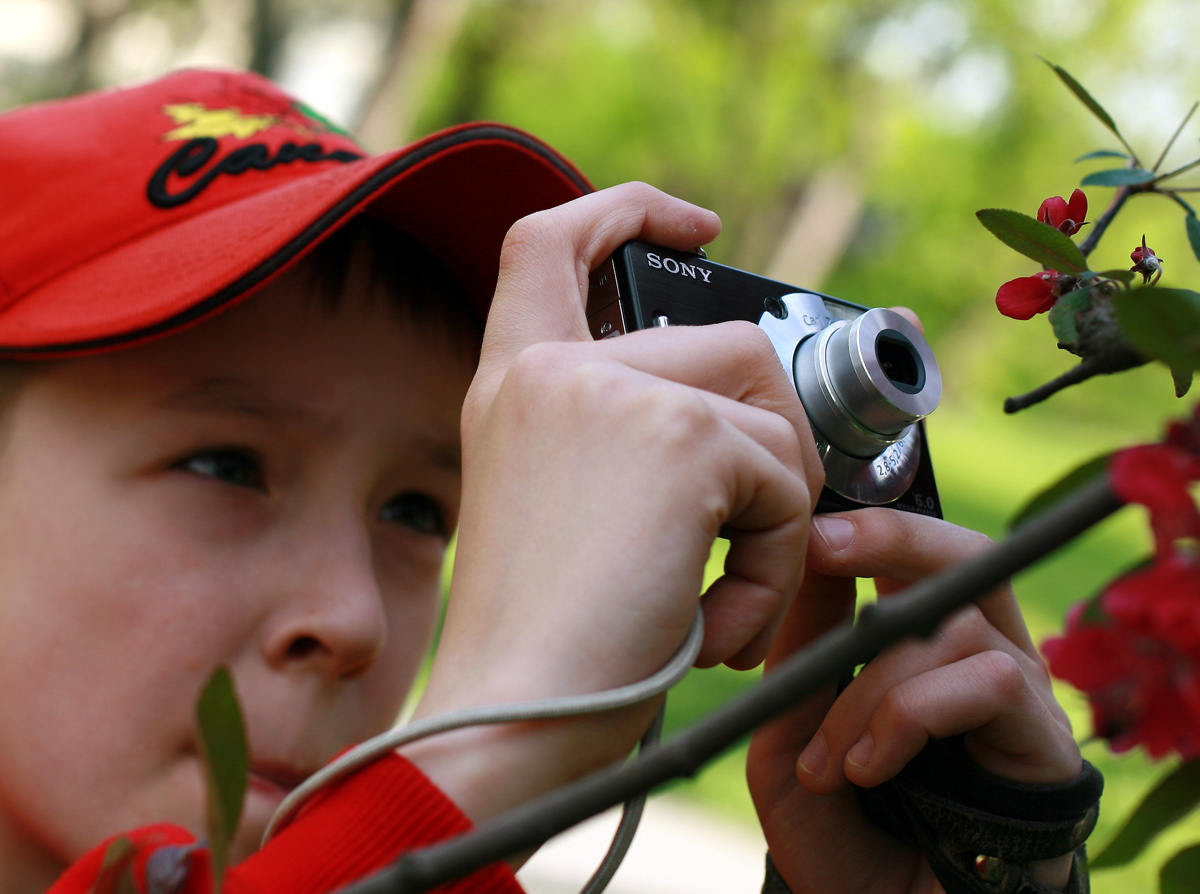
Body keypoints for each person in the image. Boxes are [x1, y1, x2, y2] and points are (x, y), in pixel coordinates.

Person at [0, 69, 1093, 894]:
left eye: (420, 510)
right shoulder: (444, 821)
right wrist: (480, 760)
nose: (355, 618)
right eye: (225, 465)